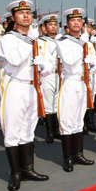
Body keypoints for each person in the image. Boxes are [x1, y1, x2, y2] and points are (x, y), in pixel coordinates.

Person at [0, 0, 50, 191]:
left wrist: (44, 66)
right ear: (13, 18)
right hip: (16, 87)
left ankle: (28, 169)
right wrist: (30, 43)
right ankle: (15, 173)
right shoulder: (7, 39)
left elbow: (47, 68)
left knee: (28, 130)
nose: (26, 15)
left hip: (32, 87)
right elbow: (15, 59)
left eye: (28, 12)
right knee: (13, 131)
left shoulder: (34, 39)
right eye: (21, 13)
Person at [56, 8, 96, 172]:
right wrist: (83, 49)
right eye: (73, 20)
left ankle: (78, 154)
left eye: (79, 21)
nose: (76, 23)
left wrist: (93, 62)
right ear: (67, 24)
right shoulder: (62, 42)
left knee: (78, 121)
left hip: (83, 84)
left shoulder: (85, 43)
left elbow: (95, 63)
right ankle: (68, 157)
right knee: (67, 121)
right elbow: (70, 60)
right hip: (70, 83)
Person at [37, 14, 61, 144]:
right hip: (47, 75)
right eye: (50, 25)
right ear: (44, 28)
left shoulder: (61, 41)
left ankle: (57, 131)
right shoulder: (40, 42)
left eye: (55, 24)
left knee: (57, 104)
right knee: (48, 105)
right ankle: (50, 132)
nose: (53, 27)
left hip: (59, 75)